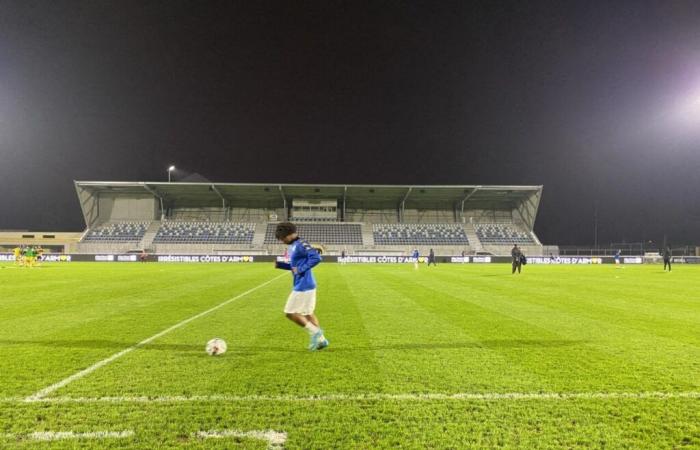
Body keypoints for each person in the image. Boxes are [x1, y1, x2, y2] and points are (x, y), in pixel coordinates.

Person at [274, 222, 329, 351]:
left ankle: (316, 332)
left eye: (282, 238)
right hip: (306, 283)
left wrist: (300, 269)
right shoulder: (293, 245)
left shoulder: (301, 244)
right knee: (308, 314)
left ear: (289, 234)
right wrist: (281, 265)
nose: (282, 241)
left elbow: (316, 258)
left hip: (303, 285)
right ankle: (321, 341)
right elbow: (295, 267)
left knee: (290, 312)